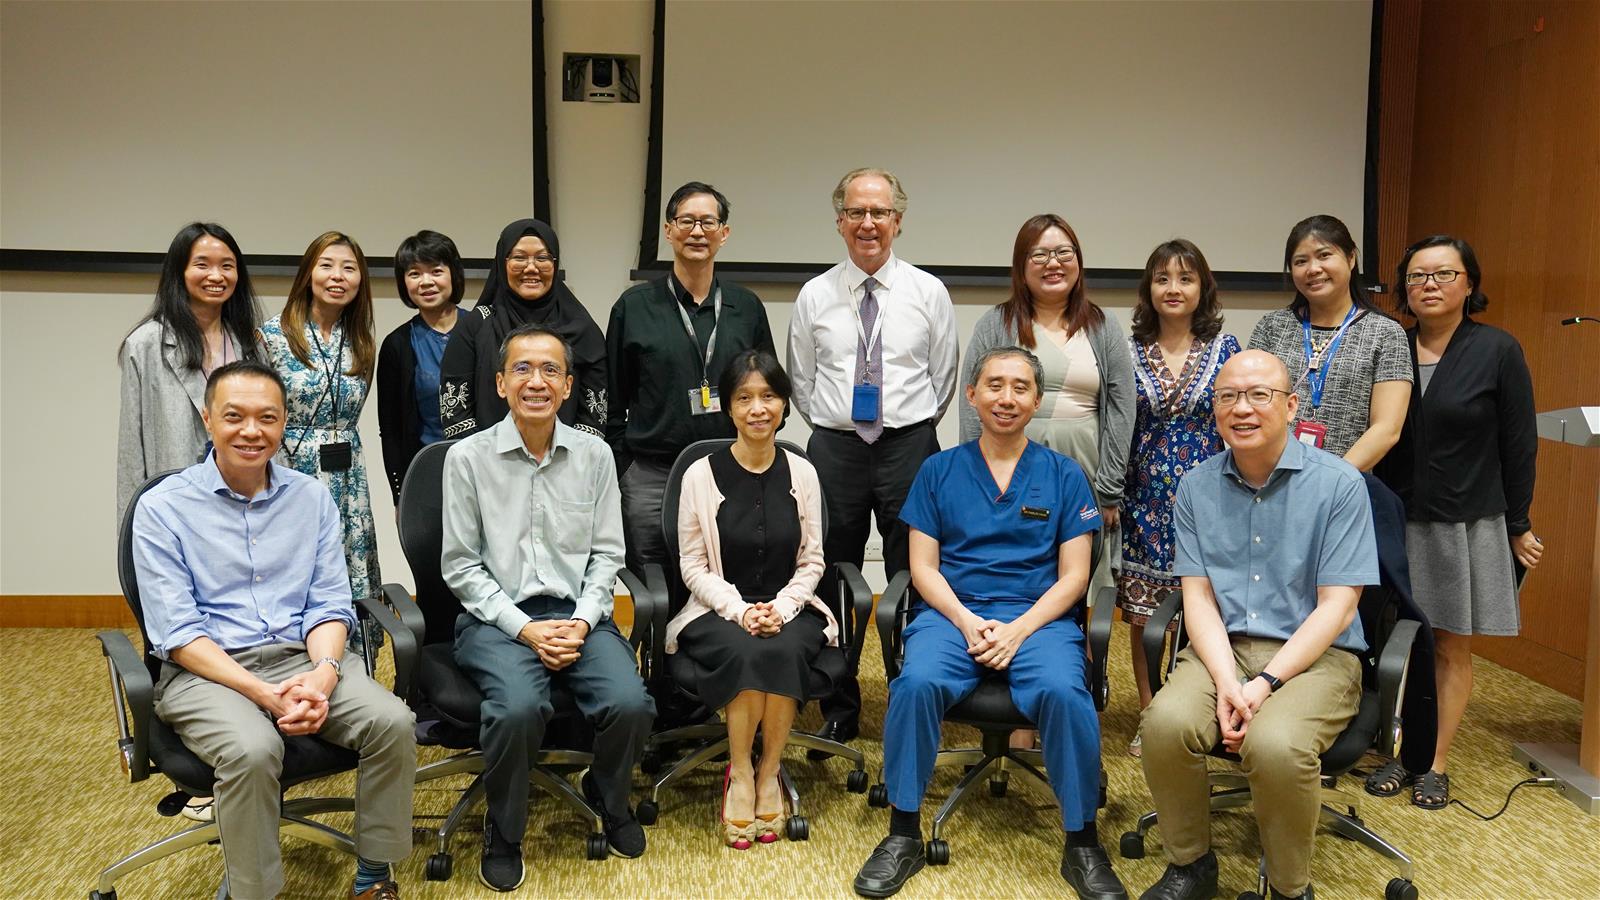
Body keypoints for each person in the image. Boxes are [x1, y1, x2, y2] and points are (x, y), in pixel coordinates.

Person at [132, 361, 414, 900]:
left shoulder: (310, 497)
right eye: (234, 416)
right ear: (207, 419)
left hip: (303, 658)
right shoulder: (164, 508)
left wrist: (324, 677)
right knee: (253, 749)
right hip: (206, 670)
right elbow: (177, 631)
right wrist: (264, 693)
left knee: (392, 722)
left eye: (268, 417)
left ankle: (374, 873)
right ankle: (251, 890)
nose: (251, 431)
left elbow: (328, 603)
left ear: (284, 424)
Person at [853, 347, 1126, 900]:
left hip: (1040, 618)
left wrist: (1020, 628)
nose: (1006, 398)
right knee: (915, 684)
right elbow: (921, 567)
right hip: (954, 613)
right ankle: (903, 832)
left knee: (1064, 692)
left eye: (1020, 387)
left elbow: (1075, 577)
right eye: (994, 385)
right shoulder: (938, 471)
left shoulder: (1064, 475)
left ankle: (1082, 843)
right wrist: (967, 620)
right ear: (972, 395)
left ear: (1036, 400)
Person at [1137, 350, 1378, 900]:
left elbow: (1337, 607)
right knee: (1164, 724)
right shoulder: (1195, 486)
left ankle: (1291, 889)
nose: (1241, 409)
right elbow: (1196, 597)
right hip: (1224, 647)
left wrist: (1264, 683)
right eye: (1227, 397)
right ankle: (1191, 864)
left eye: (1259, 395)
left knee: (1275, 744)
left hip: (1316, 655)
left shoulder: (1339, 486)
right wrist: (1227, 682)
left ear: (1291, 405)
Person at [441, 323, 655, 890]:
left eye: (550, 371)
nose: (536, 381)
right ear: (501, 383)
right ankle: (504, 828)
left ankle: (607, 795)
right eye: (522, 369)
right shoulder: (467, 459)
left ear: (567, 387)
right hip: (498, 618)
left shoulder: (595, 454)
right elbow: (461, 566)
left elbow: (608, 555)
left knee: (631, 702)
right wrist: (527, 630)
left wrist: (583, 621)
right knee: (516, 709)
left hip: (577, 612)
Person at [787, 167, 958, 748]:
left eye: (879, 212)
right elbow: (802, 383)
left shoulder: (927, 291)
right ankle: (839, 702)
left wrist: (905, 430)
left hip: (909, 445)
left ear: (898, 221)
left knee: (915, 572)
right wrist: (839, 426)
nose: (868, 224)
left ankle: (911, 691)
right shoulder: (814, 294)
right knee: (833, 574)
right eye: (856, 213)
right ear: (839, 221)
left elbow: (944, 377)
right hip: (834, 448)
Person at [1369, 235, 1540, 810]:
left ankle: (1434, 762)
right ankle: (1394, 752)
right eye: (1417, 276)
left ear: (1469, 283)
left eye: (1444, 274)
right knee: (1387, 640)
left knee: (1447, 645)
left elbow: (1519, 444)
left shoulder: (1497, 350)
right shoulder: (1391, 345)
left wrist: (1519, 523)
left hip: (1462, 521)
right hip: (1391, 514)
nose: (1429, 285)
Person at [664, 350, 840, 849]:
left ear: (784, 404)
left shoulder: (802, 472)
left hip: (792, 606)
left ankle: (770, 770)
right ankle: (740, 773)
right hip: (717, 609)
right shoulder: (701, 474)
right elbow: (692, 565)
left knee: (781, 646)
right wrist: (741, 611)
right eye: (745, 398)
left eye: (768, 397)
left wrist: (781, 610)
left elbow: (812, 561)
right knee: (747, 649)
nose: (758, 408)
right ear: (729, 407)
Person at [961, 214, 1135, 607]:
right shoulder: (996, 323)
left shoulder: (1103, 326)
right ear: (1021, 267)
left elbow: (1123, 408)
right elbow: (973, 403)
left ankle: (1077, 654)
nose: (1053, 263)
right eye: (1039, 255)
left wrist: (1109, 488)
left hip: (1086, 463)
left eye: (1063, 253)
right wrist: (974, 478)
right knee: (1018, 558)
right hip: (1010, 461)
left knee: (1080, 567)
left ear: (1078, 261)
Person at [606, 182, 775, 574]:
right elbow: (613, 399)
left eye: (707, 222)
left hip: (731, 468)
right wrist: (625, 466)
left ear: (724, 233)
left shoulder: (746, 307)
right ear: (668, 230)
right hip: (652, 474)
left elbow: (768, 392)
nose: (697, 231)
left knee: (729, 575)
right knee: (655, 582)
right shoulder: (633, 308)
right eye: (687, 221)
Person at [1117, 240, 1239, 758]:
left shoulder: (1227, 349)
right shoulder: (1125, 349)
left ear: (1202, 288)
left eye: (1185, 278)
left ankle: (1204, 710)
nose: (1173, 288)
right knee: (1145, 615)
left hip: (1210, 498)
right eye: (1163, 278)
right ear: (1149, 288)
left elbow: (1238, 422)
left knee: (1204, 608)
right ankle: (1151, 712)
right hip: (1143, 496)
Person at [260, 232, 382, 616]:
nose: (337, 276)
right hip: (289, 468)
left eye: (349, 268)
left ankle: (354, 658)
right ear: (308, 274)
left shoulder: (360, 340)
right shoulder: (272, 336)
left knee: (348, 566)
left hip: (347, 474)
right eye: (326, 265)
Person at [118, 221, 263, 521]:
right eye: (202, 265)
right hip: (176, 510)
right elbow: (132, 454)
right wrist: (131, 532)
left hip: (245, 508)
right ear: (179, 272)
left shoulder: (252, 345)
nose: (216, 276)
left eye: (227, 266)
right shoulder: (145, 344)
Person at [1248, 214, 1411, 469]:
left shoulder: (1386, 333)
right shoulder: (1271, 327)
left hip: (1346, 489)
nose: (1313, 269)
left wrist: (1332, 483)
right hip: (1270, 480)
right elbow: (1251, 406)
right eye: (1301, 261)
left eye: (1324, 255)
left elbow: (1387, 429)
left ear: (1351, 258)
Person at [439, 218, 606, 439]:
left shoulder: (583, 328)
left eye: (542, 258)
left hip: (566, 466)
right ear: (502, 262)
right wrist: (485, 460)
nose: (531, 267)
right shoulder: (476, 325)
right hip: (487, 466)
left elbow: (594, 418)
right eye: (519, 258)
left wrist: (563, 462)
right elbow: (456, 416)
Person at [376, 230, 463, 504]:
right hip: (427, 476)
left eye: (436, 271)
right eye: (414, 273)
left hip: (486, 475)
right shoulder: (396, 344)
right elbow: (390, 430)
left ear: (453, 275)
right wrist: (400, 496)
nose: (426, 282)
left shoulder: (485, 331)